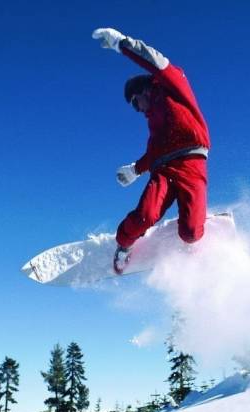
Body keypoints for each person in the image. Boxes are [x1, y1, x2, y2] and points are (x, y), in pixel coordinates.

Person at [92, 27, 211, 274]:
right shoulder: (154, 125)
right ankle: (123, 246)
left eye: (135, 103)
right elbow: (155, 153)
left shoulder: (170, 85)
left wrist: (122, 43)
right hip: (163, 170)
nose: (138, 110)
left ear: (144, 90)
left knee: (190, 232)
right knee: (145, 216)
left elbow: (154, 59)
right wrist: (135, 170)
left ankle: (192, 233)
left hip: (191, 163)